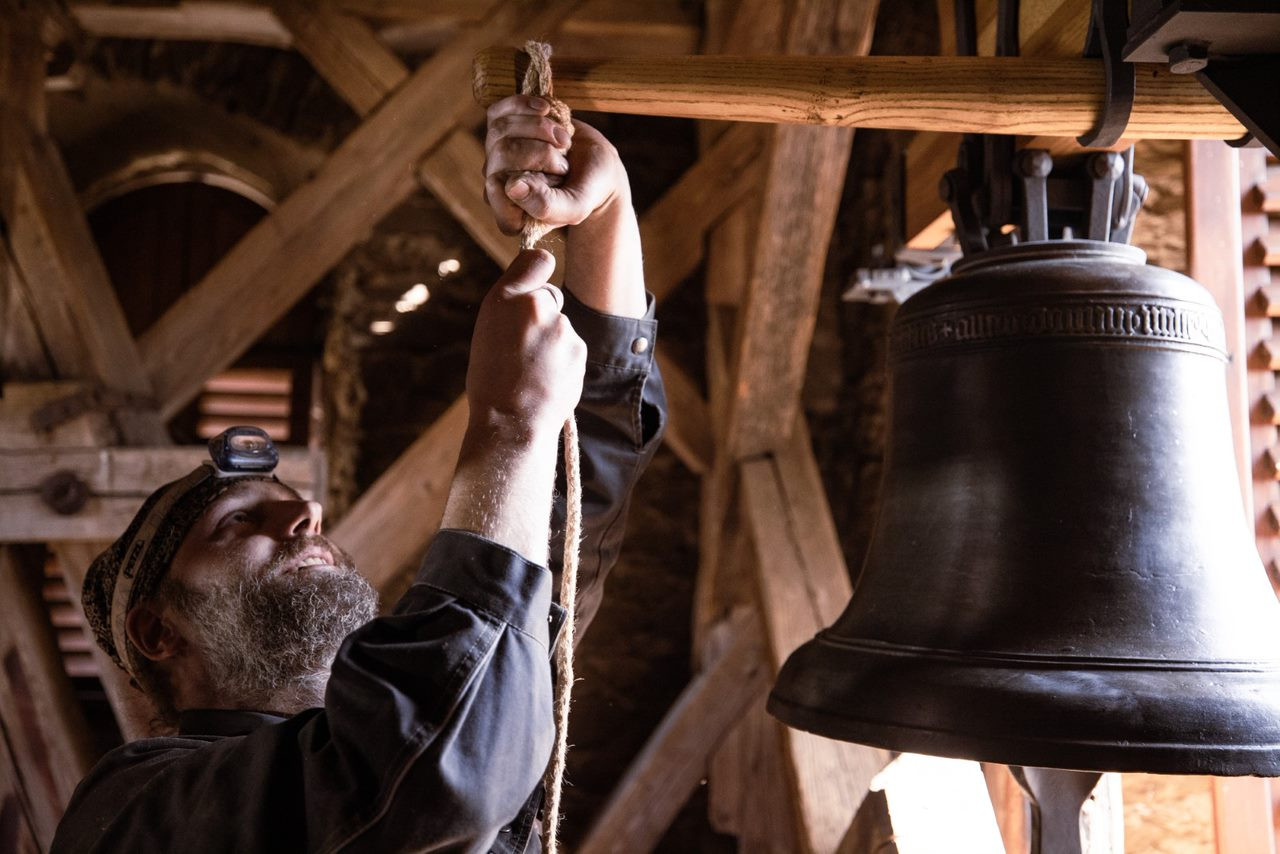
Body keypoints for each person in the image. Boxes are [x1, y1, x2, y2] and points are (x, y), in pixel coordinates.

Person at [51, 94, 666, 854]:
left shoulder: (427, 703)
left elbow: (571, 493)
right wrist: (506, 430)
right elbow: (423, 775)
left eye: (289, 504)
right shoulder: (129, 813)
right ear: (156, 631)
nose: (305, 514)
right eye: (238, 521)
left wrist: (601, 213)